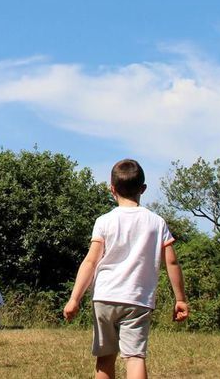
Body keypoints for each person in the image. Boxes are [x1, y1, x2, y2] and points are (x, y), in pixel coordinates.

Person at [63, 158, 188, 379]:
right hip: (137, 299)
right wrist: (180, 299)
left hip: (105, 297)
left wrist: (74, 298)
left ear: (112, 189)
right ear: (143, 189)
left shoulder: (104, 221)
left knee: (105, 359)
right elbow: (172, 263)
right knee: (135, 357)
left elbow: (90, 261)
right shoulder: (157, 222)